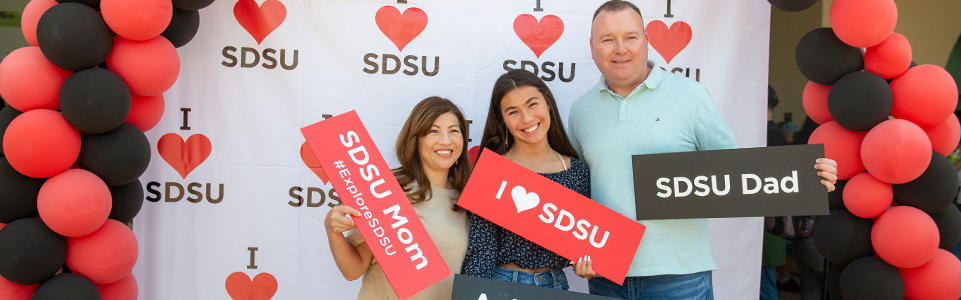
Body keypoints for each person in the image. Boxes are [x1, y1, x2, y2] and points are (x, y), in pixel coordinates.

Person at [566, 1, 839, 299]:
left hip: (680, 277)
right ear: (593, 47)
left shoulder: (691, 97)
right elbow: (578, 191)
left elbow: (740, 175)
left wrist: (808, 177)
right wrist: (578, 247)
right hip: (607, 276)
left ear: (646, 41)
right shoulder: (581, 111)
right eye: (607, 39)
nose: (620, 48)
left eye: (630, 37)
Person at [323, 97, 472, 300]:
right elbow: (353, 270)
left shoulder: (469, 201)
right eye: (433, 131)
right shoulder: (386, 190)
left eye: (454, 131)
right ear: (416, 139)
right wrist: (333, 232)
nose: (446, 140)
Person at [460, 69, 596, 289]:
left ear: (548, 103)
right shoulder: (492, 172)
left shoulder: (577, 171)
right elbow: (481, 250)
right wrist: (474, 293)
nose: (527, 118)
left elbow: (589, 243)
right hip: (503, 286)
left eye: (533, 104)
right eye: (513, 112)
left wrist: (590, 264)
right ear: (502, 120)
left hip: (556, 285)